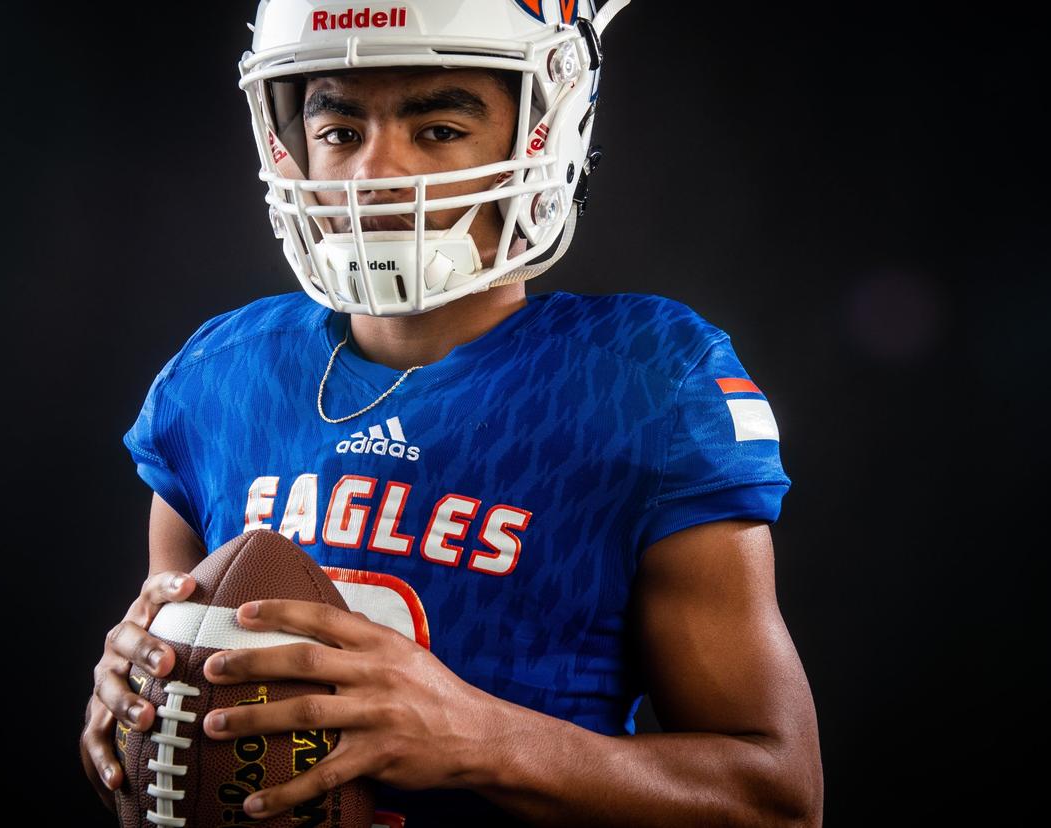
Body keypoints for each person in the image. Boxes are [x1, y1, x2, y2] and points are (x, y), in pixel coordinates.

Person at [80, 1, 824, 825]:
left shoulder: (645, 381)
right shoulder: (221, 376)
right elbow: (174, 694)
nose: (372, 174)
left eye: (437, 129)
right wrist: (135, 704)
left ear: (546, 131)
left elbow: (777, 799)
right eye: (338, 131)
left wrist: (482, 738)